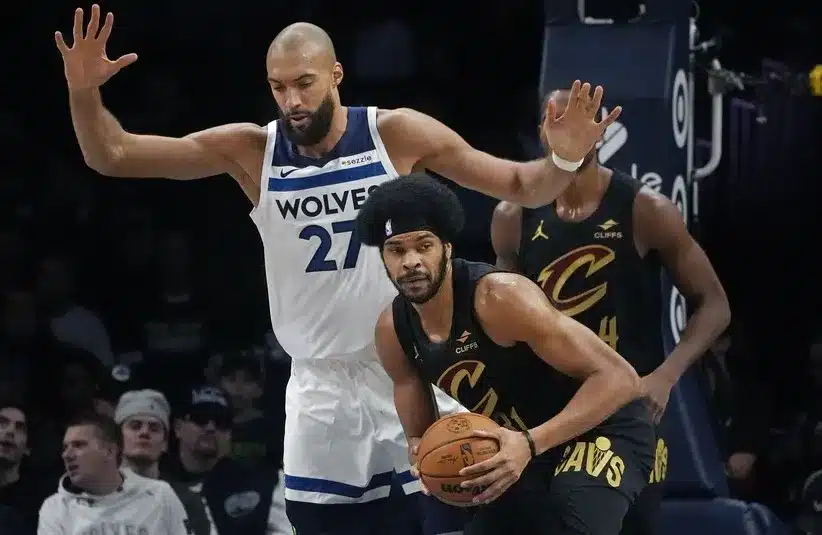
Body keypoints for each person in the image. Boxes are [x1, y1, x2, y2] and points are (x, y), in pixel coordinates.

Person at [54, 6, 620, 534]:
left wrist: (566, 158)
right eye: (279, 87)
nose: (292, 100)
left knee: (451, 515)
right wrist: (83, 94)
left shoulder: (394, 133)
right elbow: (114, 155)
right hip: (317, 387)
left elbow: (522, 184)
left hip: (408, 372)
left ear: (336, 75)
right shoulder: (253, 150)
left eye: (304, 82)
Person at [358, 173, 655, 535]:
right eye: (397, 250)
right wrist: (424, 454)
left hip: (604, 424)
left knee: (571, 516)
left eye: (424, 246)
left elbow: (621, 379)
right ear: (384, 259)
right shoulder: (393, 330)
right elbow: (418, 428)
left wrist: (529, 444)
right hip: (521, 444)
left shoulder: (500, 298)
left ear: (447, 248)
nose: (411, 261)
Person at [491, 88, 731, 534]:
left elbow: (714, 305)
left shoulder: (646, 210)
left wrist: (666, 374)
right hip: (548, 413)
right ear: (544, 129)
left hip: (625, 408)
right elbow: (502, 322)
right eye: (557, 120)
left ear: (602, 131)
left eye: (582, 122)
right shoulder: (513, 216)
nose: (569, 132)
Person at [38, 412, 191, 535]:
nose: (67, 455)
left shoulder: (159, 494)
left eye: (79, 445)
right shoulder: (55, 508)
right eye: (65, 447)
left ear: (110, 451)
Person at [114, 390, 211, 535]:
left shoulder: (186, 501)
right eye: (135, 426)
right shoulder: (89, 496)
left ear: (165, 443)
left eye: (154, 428)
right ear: (116, 439)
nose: (144, 432)